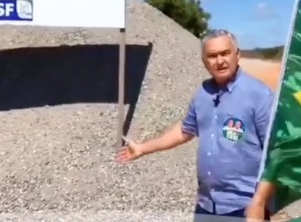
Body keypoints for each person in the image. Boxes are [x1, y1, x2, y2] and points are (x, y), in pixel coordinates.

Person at [118, 29, 276, 222]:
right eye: (212, 56)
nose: (219, 61)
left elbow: (276, 153)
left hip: (244, 206)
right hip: (206, 204)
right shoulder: (202, 93)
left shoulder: (259, 95)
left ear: (238, 54)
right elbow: (185, 130)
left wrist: (259, 203)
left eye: (225, 53)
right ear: (204, 61)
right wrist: (142, 149)